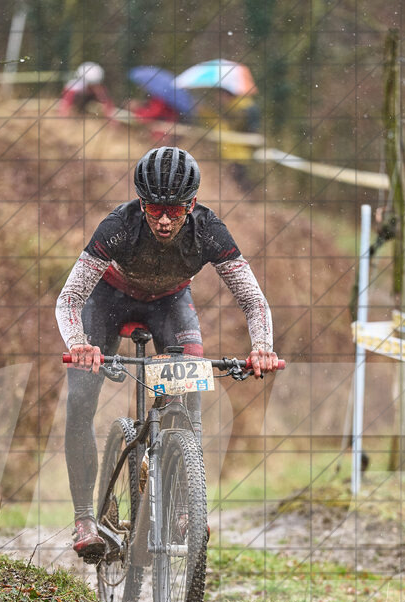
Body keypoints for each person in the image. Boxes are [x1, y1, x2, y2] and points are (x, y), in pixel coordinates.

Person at [56, 146, 279, 558]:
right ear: (141, 203)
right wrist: (79, 345)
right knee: (81, 400)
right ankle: (85, 516)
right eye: (154, 209)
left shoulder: (210, 231)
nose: (162, 220)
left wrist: (262, 348)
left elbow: (253, 300)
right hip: (108, 301)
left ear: (191, 205)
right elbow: (69, 300)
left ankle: (182, 504)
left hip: (169, 305)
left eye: (175, 212)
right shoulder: (117, 228)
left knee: (186, 394)